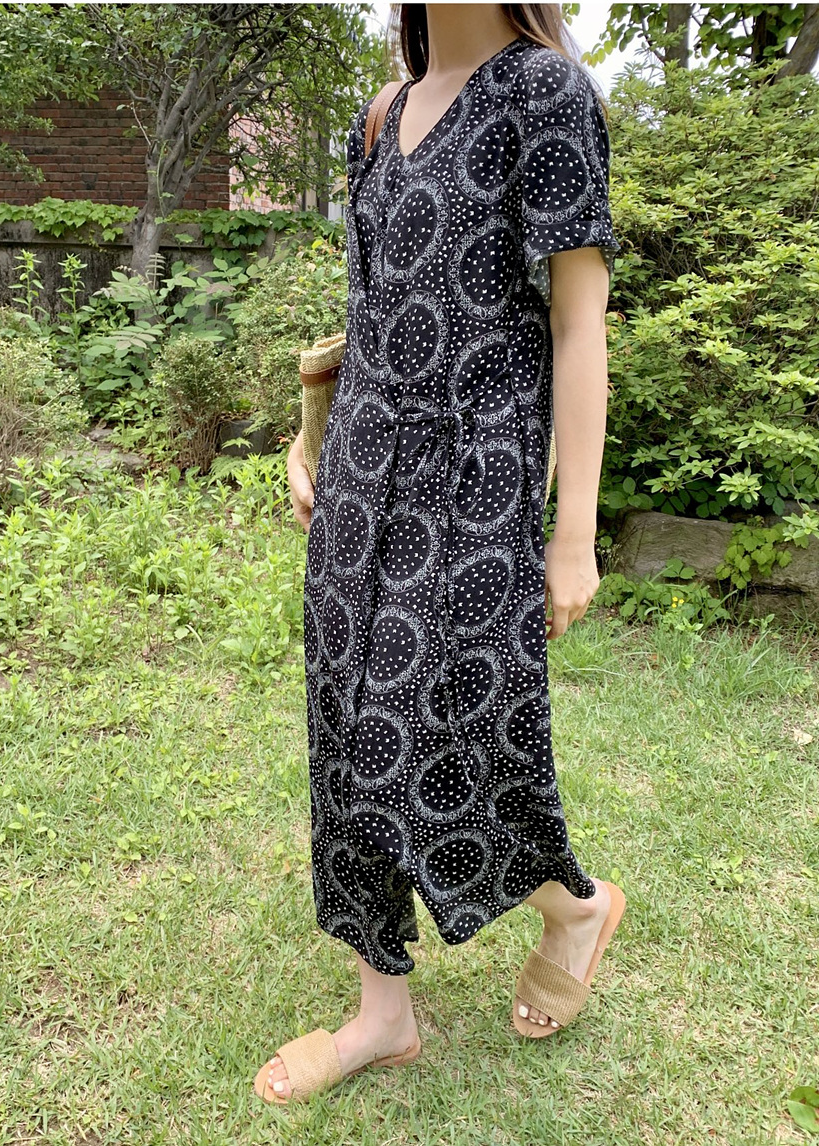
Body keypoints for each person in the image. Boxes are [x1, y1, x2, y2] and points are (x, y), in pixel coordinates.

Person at [254, 1, 626, 1104]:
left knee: (439, 726)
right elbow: (369, 309)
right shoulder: (380, 115)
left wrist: (572, 533)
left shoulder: (543, 94)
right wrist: (307, 441)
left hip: (475, 475)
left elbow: (578, 325)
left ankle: (571, 906)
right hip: (361, 473)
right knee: (343, 733)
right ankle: (383, 1011)